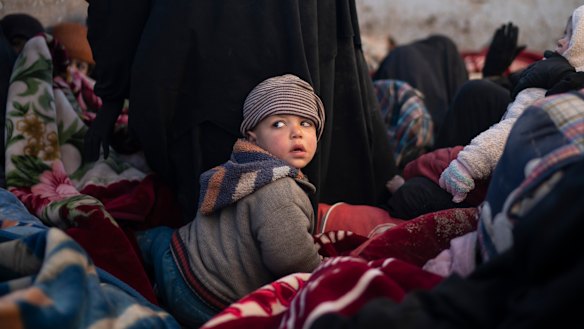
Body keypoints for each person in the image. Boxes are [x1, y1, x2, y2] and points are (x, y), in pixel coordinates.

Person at [135, 74, 324, 327]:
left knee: (158, 238)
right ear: (253, 136)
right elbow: (291, 258)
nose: (296, 133)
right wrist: (322, 266)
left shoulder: (241, 168)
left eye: (306, 123)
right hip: (211, 302)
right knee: (160, 240)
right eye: (279, 124)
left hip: (184, 268)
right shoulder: (281, 190)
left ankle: (140, 246)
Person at [439, 5, 584, 203]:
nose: (559, 40)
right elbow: (517, 96)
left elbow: (517, 126)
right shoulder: (553, 69)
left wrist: (467, 165)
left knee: (414, 192)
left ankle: (438, 170)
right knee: (476, 87)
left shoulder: (568, 85)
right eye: (563, 32)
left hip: (502, 162)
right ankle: (437, 165)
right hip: (495, 146)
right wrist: (495, 75)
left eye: (571, 35)